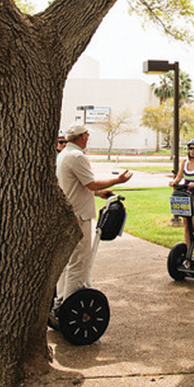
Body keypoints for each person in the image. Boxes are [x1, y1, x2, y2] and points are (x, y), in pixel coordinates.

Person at [53, 124, 133, 311]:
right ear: (81, 137)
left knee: (68, 260)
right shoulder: (77, 156)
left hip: (69, 212)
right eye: (87, 135)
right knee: (80, 260)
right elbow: (91, 183)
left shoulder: (64, 154)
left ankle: (61, 300)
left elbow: (79, 185)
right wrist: (117, 180)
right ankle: (71, 304)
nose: (88, 138)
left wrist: (99, 193)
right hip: (79, 215)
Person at [169, 138, 194, 254]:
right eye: (190, 148)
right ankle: (188, 252)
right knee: (186, 226)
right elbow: (179, 177)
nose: (192, 151)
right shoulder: (184, 162)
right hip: (185, 197)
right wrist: (174, 182)